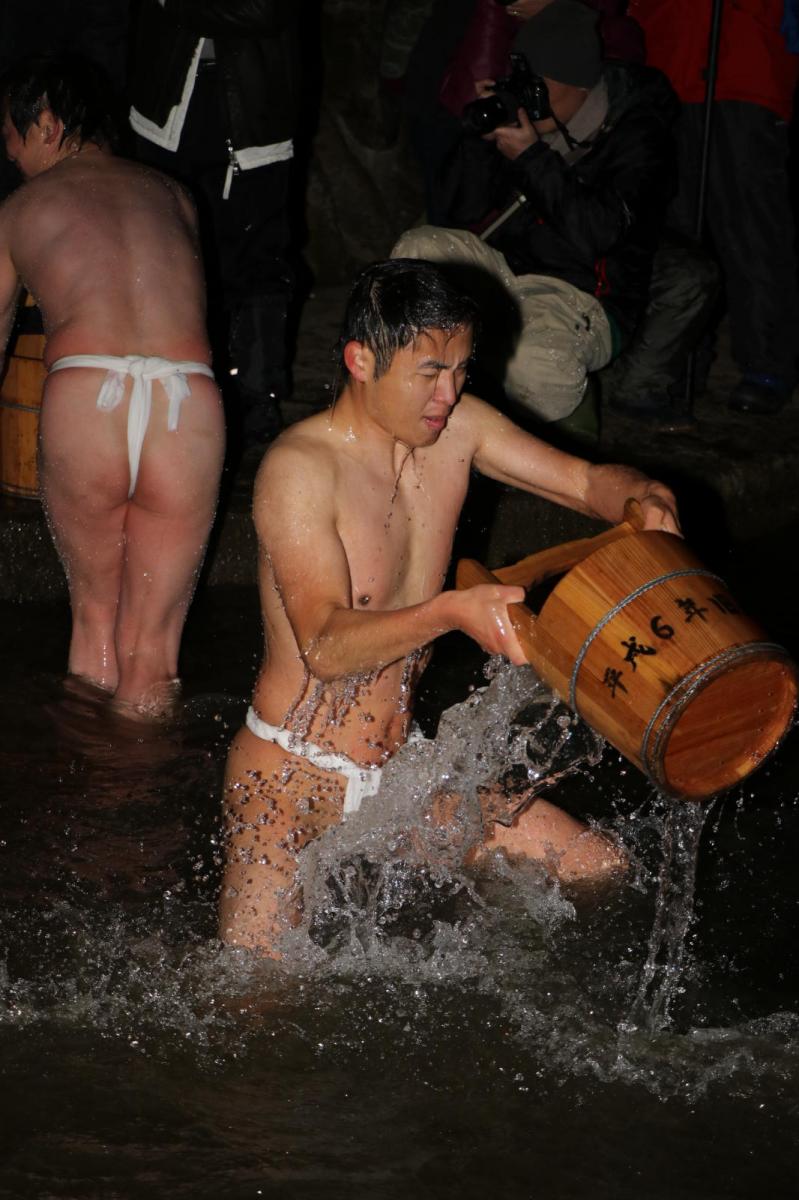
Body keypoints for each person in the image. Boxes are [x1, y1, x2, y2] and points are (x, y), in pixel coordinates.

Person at [219, 258, 681, 957]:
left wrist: (639, 494)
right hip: (289, 778)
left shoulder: (459, 428)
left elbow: (587, 480)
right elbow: (324, 644)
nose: (450, 392)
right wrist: (451, 612)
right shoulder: (299, 469)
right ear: (361, 359)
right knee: (254, 1004)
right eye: (430, 371)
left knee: (600, 872)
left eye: (463, 369)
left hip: (400, 778)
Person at [0, 56, 225, 714]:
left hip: (87, 393)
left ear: (46, 123)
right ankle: (150, 805)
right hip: (188, 400)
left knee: (94, 620)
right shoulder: (172, 194)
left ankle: (93, 801)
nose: (9, 156)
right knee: (153, 651)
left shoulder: (19, 209)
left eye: (9, 138)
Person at [392, 0, 677, 434]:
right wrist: (478, 142)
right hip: (508, 270)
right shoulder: (522, 120)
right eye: (522, 85)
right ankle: (417, 414)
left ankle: (565, 447)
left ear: (580, 85)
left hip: (586, 296)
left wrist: (532, 158)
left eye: (538, 89)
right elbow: (458, 214)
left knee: (535, 366)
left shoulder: (637, 134)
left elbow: (597, 233)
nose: (526, 102)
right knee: (417, 250)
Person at [128, 0, 300, 451]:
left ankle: (256, 398)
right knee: (164, 252)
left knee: (255, 255)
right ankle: (168, 385)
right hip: (166, 108)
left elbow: (266, 10)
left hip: (252, 114)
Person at [630, 0, 799, 416]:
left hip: (746, 64)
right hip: (667, 60)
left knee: (750, 228)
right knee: (675, 230)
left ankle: (766, 365)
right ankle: (680, 361)